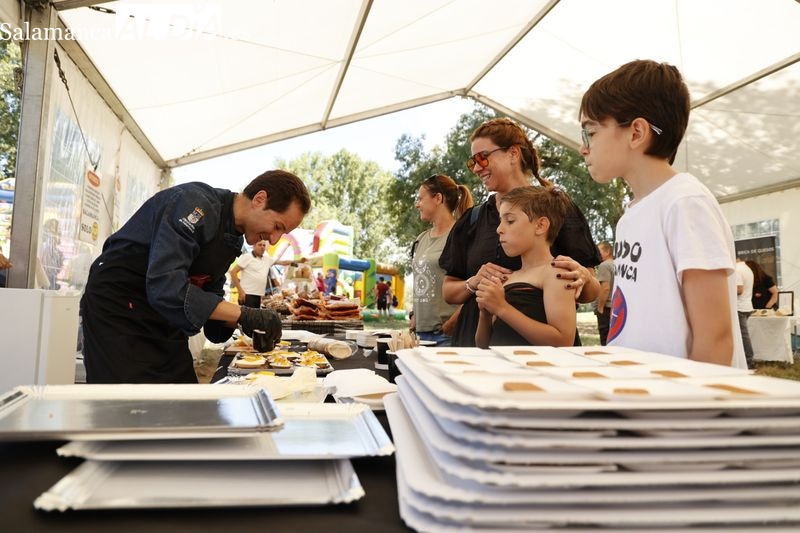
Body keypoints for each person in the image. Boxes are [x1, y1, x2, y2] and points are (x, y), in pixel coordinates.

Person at [579, 59, 745, 368]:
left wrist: (690, 413)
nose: (583, 148)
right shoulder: (631, 216)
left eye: (591, 132)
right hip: (644, 396)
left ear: (636, 132)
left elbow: (715, 338)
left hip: (681, 407)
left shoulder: (685, 203)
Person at [80, 169, 311, 383]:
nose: (273, 240)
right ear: (260, 199)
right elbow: (166, 285)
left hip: (160, 316)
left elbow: (209, 294)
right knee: (125, 409)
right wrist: (243, 313)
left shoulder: (232, 238)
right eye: (278, 226)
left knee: (181, 396)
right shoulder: (194, 205)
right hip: (118, 309)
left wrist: (245, 321)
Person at [439, 117, 601, 347]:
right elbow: (448, 292)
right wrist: (474, 283)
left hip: (540, 359)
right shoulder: (472, 219)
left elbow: (589, 289)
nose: (476, 168)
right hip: (475, 350)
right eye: (472, 161)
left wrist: (584, 278)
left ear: (513, 154)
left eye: (482, 157)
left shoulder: (558, 207)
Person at [475, 186, 578, 348]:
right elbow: (483, 345)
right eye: (500, 221)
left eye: (509, 221)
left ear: (540, 226)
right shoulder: (508, 277)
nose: (499, 229)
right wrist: (485, 314)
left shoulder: (556, 273)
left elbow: (563, 340)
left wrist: (501, 308)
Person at [410, 174, 473, 346]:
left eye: (420, 199)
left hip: (447, 336)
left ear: (438, 198)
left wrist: (452, 323)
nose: (417, 204)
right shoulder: (421, 238)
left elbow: (476, 285)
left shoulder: (462, 236)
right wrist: (414, 316)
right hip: (419, 335)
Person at [229, 240, 273, 308]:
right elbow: (233, 272)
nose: (262, 247)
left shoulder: (266, 259)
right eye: (260, 245)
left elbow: (282, 262)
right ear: (254, 246)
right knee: (246, 317)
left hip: (258, 295)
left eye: (264, 245)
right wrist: (240, 291)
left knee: (254, 317)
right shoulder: (247, 257)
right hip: (247, 295)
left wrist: (294, 261)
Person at [735, 257, 755, 368]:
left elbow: (739, 289)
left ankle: (749, 361)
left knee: (743, 336)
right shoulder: (746, 268)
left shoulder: (736, 269)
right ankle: (745, 360)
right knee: (742, 335)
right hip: (746, 306)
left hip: (740, 307)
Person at [593, 241, 614, 345]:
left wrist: (600, 308)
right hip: (617, 308)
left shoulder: (604, 266)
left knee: (605, 340)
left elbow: (605, 288)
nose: (596, 253)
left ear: (607, 251)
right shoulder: (618, 264)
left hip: (606, 308)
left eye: (598, 250)